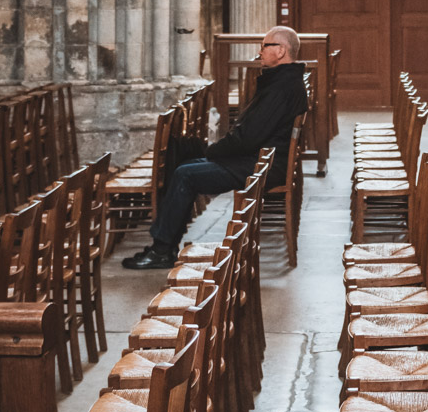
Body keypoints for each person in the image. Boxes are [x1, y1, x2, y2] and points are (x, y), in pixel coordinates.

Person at [123, 24, 308, 269]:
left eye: (265, 46)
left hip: (262, 165)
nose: (260, 51)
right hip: (260, 159)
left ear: (281, 51)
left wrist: (213, 151)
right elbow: (250, 133)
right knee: (185, 163)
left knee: (184, 173)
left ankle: (162, 249)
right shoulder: (283, 82)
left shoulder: (282, 87)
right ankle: (164, 244)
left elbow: (248, 138)